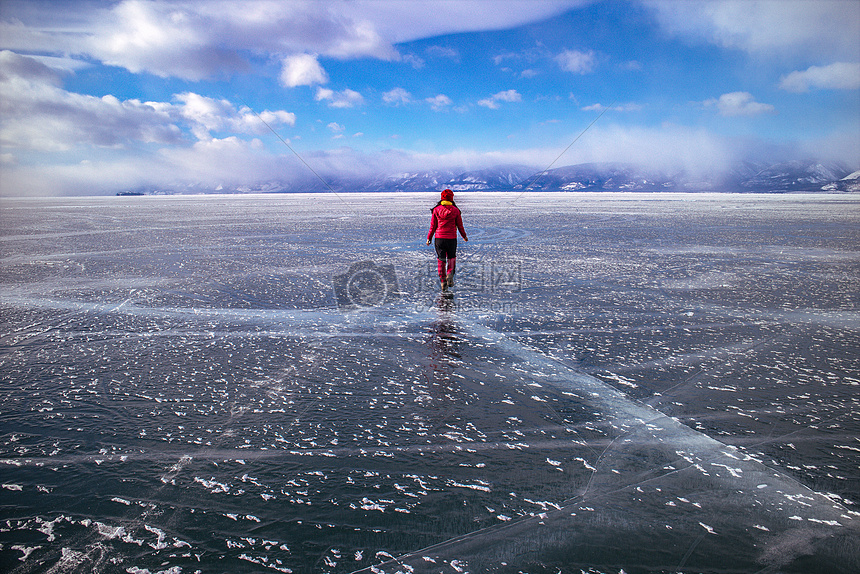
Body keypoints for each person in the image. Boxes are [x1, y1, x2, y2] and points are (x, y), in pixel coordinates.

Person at [426, 189, 468, 291]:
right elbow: (460, 226)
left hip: (439, 239)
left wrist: (429, 238)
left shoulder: (436, 210)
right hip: (451, 239)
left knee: (441, 259)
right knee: (451, 258)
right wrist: (464, 236)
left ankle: (443, 281)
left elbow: (433, 226)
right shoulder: (455, 210)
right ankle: (450, 274)